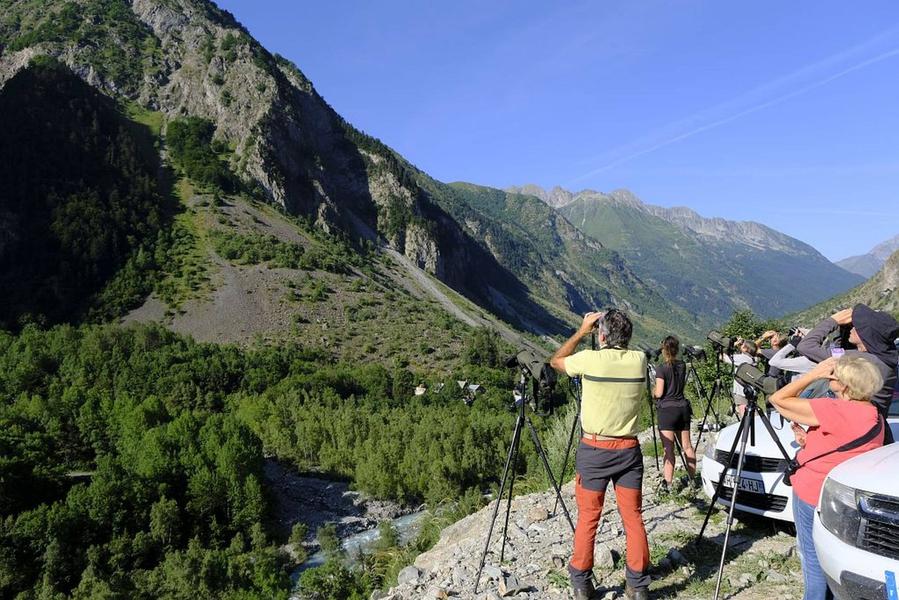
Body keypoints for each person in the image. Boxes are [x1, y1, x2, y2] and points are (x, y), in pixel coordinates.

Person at [550, 309, 650, 600]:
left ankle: (581, 583)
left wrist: (582, 331)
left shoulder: (590, 360)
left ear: (602, 335)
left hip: (594, 450)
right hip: (629, 450)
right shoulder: (639, 360)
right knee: (633, 517)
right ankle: (638, 587)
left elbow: (556, 361)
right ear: (628, 336)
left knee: (589, 517)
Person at [769, 356, 885, 600]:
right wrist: (809, 441)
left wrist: (813, 375)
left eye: (836, 375)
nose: (832, 377)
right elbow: (846, 446)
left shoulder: (833, 408)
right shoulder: (873, 414)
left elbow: (777, 399)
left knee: (812, 560)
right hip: (842, 499)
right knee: (830, 559)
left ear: (844, 384)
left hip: (813, 493)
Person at [797, 304, 899, 441]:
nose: (852, 328)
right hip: (875, 433)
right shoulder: (882, 358)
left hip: (857, 436)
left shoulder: (860, 360)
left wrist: (833, 321)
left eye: (856, 326)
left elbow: (806, 346)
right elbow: (838, 353)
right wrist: (841, 331)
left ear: (866, 334)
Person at [652, 336, 696, 492]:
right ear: (676, 350)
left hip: (667, 410)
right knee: (687, 446)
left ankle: (668, 484)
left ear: (664, 350)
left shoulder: (661, 368)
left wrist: (652, 392)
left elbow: (659, 392)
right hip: (682, 407)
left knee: (668, 450)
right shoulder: (682, 365)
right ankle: (692, 479)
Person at [723, 339, 758, 418]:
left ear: (745, 349)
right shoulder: (753, 359)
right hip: (751, 390)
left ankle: (748, 430)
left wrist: (733, 344)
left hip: (741, 392)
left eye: (742, 345)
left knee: (745, 417)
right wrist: (742, 346)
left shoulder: (741, 358)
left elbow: (722, 357)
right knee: (753, 414)